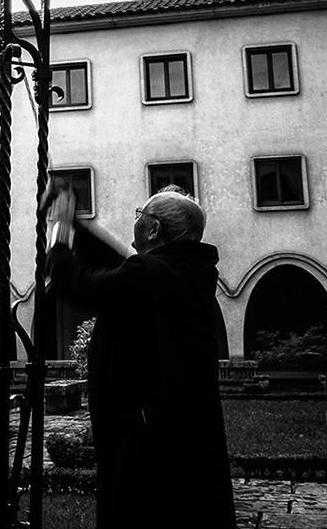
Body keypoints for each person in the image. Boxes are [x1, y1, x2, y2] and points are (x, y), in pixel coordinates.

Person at [46, 183, 234, 528]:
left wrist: (58, 230)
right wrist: (77, 224)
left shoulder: (152, 276)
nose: (136, 220)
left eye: (140, 215)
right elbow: (121, 266)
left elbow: (73, 281)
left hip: (147, 446)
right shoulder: (184, 272)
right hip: (174, 433)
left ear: (153, 228)